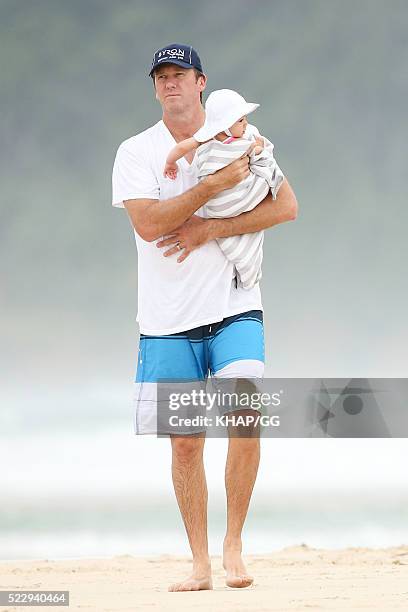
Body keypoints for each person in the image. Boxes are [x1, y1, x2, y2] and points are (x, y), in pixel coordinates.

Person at [112, 43, 298, 592]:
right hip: (167, 318)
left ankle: (234, 543)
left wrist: (211, 227)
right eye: (162, 76)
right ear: (155, 87)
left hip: (235, 303)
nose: (171, 83)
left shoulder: (242, 137)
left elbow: (286, 206)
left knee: (245, 413)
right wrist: (211, 188)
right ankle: (199, 561)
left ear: (202, 83)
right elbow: (149, 225)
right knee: (186, 441)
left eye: (181, 74)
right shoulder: (137, 151)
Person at [164, 88, 285, 289]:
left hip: (241, 195)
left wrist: (258, 151)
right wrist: (170, 163)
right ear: (224, 125)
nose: (245, 124)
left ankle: (246, 269)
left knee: (264, 171)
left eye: (245, 119)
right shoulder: (209, 139)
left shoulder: (248, 136)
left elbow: (261, 150)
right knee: (264, 174)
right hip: (220, 204)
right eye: (240, 120)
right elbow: (181, 148)